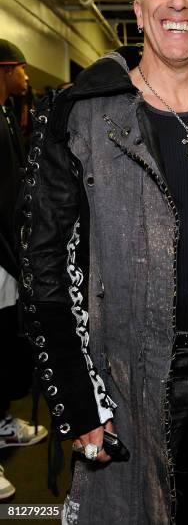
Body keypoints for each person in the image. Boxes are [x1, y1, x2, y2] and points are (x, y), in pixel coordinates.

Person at [17, 0, 188, 524]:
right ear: (139, 6)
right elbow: (42, 266)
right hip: (127, 379)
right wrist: (79, 399)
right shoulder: (81, 112)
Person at [0, 40, 47, 500]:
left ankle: (1, 423)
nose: (28, 77)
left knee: (4, 345)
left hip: (7, 255)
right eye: (21, 69)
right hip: (0, 254)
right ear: (7, 69)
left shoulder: (8, 114)